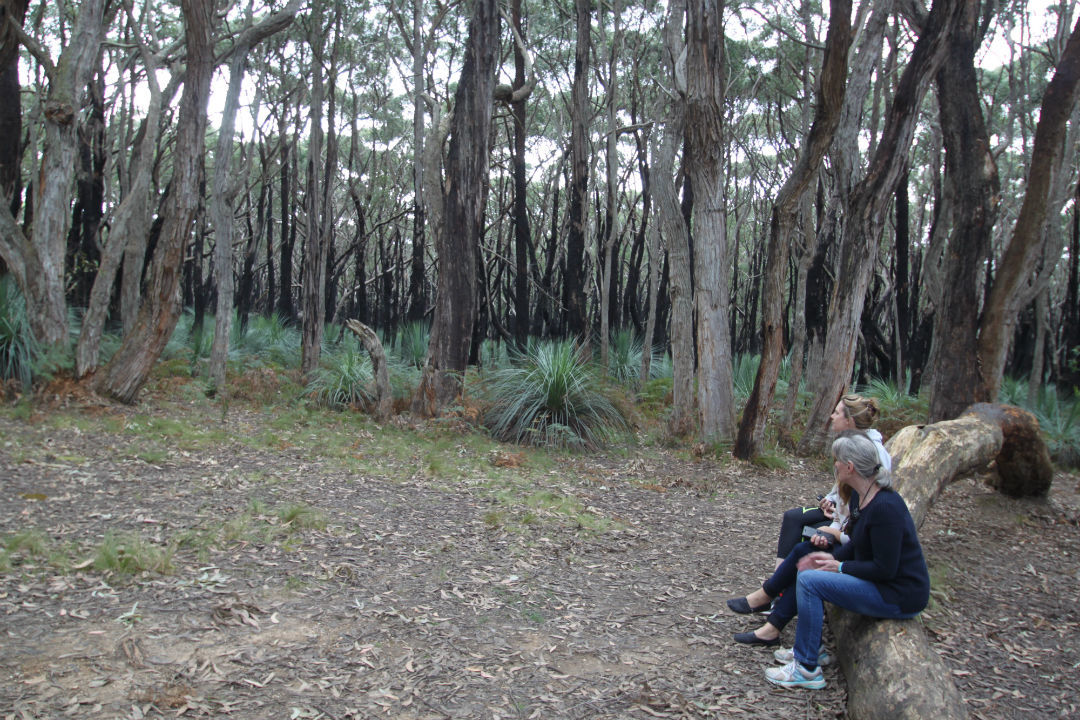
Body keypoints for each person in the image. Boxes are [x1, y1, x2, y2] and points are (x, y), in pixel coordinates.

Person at [762, 430, 930, 690]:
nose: (834, 466)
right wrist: (826, 557)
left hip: (899, 595)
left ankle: (806, 668)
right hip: (883, 585)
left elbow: (885, 569)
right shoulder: (860, 499)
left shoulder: (886, 507)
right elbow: (856, 546)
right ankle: (810, 650)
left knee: (809, 582)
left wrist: (839, 567)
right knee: (809, 572)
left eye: (836, 461)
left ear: (850, 467)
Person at [772, 394, 889, 570]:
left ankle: (780, 585)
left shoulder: (873, 451)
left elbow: (873, 494)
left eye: (836, 413)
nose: (832, 416)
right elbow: (842, 486)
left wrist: (838, 521)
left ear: (849, 420)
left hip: (851, 522)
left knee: (804, 535)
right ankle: (777, 582)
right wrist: (831, 500)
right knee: (793, 517)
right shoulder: (848, 443)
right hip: (839, 514)